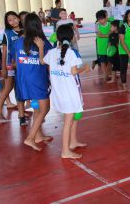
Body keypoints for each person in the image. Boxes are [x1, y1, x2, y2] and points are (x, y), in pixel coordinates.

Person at [40, 24, 89, 159]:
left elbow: (43, 63)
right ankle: (65, 151)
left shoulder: (51, 52)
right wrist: (84, 68)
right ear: (72, 37)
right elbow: (73, 72)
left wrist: (40, 48)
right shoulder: (71, 53)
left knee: (72, 118)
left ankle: (72, 142)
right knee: (68, 121)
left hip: (59, 93)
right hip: (70, 93)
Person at [14, 13, 53, 151]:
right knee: (45, 108)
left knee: (38, 107)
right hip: (37, 78)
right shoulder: (40, 41)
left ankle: (38, 136)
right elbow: (47, 60)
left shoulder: (19, 41)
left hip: (24, 78)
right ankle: (30, 138)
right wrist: (42, 48)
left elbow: (17, 62)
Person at [0, 12, 25, 123]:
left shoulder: (25, 30)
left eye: (14, 18)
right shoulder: (7, 33)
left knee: (19, 87)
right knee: (8, 88)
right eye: (10, 20)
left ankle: (22, 113)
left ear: (19, 18)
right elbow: (4, 51)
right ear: (7, 22)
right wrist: (3, 68)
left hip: (23, 64)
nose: (13, 21)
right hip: (10, 64)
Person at [95, 10, 111, 81]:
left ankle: (109, 74)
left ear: (106, 17)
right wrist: (108, 35)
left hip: (109, 46)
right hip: (101, 47)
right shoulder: (97, 25)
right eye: (99, 19)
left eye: (102, 19)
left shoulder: (110, 24)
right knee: (102, 62)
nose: (101, 21)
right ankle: (105, 75)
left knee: (110, 62)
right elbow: (99, 34)